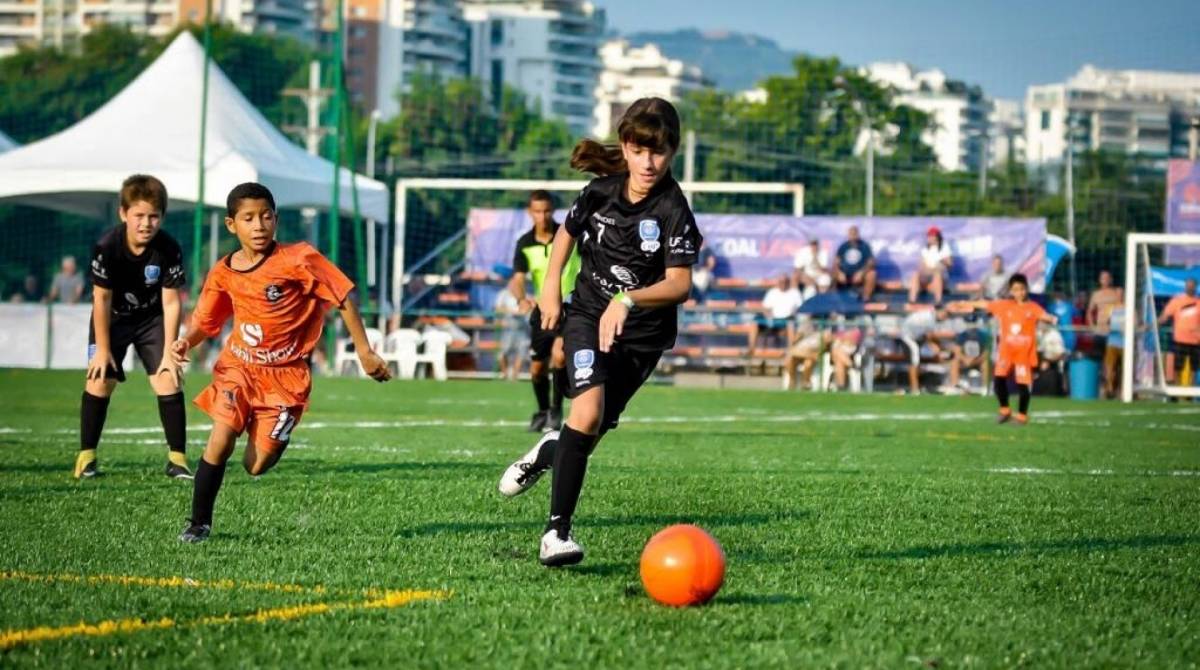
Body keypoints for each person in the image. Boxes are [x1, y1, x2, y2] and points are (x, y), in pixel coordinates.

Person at [496, 97, 702, 567]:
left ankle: (550, 449)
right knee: (586, 414)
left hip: (642, 338)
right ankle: (556, 534)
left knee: (588, 433)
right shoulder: (600, 192)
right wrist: (551, 288)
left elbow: (680, 284)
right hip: (588, 314)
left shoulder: (673, 209)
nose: (648, 163)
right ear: (624, 148)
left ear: (673, 151)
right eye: (638, 150)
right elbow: (567, 233)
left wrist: (627, 300)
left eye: (659, 152)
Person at [170, 182, 390, 543]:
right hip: (239, 368)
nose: (259, 226)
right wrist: (185, 341)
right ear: (231, 225)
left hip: (286, 378)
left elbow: (343, 297)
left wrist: (365, 351)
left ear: (276, 219)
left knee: (255, 465)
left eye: (266, 216)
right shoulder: (224, 271)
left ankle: (272, 431)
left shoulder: (298, 258)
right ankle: (198, 524)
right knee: (221, 437)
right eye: (248, 218)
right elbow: (207, 321)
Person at [75, 175, 190, 480]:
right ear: (123, 213)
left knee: (168, 379)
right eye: (139, 215)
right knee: (99, 380)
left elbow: (171, 303)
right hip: (113, 318)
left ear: (162, 217)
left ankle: (177, 460)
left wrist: (169, 353)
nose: (146, 223)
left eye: (154, 216)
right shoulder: (106, 247)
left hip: (151, 320)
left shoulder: (169, 248)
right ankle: (86, 458)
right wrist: (102, 350)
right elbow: (101, 300)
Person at [510, 190, 581, 432]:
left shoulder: (569, 235)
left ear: (553, 211)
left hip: (571, 306)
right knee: (537, 368)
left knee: (559, 355)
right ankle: (542, 411)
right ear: (530, 213)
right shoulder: (525, 243)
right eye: (538, 212)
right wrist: (521, 298)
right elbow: (517, 279)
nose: (543, 216)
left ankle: (555, 410)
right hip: (542, 310)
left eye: (547, 211)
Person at [973, 274, 1057, 425]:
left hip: (1023, 354)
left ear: (1027, 289)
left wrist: (1051, 318)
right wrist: (965, 304)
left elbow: (1044, 315)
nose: (1020, 293)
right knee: (999, 379)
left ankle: (1022, 416)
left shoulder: (1033, 307)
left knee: (1023, 384)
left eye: (1022, 289)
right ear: (1011, 291)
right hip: (1006, 352)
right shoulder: (1005, 305)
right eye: (1016, 289)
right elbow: (987, 305)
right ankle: (1004, 410)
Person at [747, 274, 802, 358]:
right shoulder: (772, 292)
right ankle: (751, 348)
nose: (783, 284)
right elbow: (765, 308)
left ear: (788, 282)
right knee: (755, 321)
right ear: (778, 282)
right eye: (781, 282)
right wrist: (769, 318)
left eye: (785, 282)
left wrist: (793, 314)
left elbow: (799, 308)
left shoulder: (794, 293)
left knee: (790, 323)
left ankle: (790, 351)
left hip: (787, 319)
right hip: (772, 319)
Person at [1159, 278, 1200, 385]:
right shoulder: (1177, 301)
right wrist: (1156, 324)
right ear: (1185, 287)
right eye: (1188, 286)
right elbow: (1165, 315)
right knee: (1177, 367)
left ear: (1196, 287)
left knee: (1194, 368)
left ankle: (1191, 390)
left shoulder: (1198, 302)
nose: (1190, 288)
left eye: (1192, 286)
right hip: (1180, 340)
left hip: (1196, 341)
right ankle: (1177, 388)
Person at [493, 265, 529, 381]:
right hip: (507, 328)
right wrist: (510, 311)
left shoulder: (525, 295)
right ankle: (504, 373)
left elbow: (529, 308)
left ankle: (515, 376)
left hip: (521, 328)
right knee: (502, 352)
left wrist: (523, 311)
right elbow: (498, 309)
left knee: (521, 352)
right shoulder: (503, 294)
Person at [909, 226, 952, 305]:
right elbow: (922, 265)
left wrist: (942, 261)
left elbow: (949, 264)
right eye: (929, 236)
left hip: (940, 273)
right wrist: (924, 269)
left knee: (937, 274)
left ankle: (938, 301)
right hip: (927, 273)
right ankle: (912, 300)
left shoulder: (944, 247)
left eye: (932, 236)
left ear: (937, 237)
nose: (930, 238)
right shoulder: (925, 249)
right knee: (915, 275)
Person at [833, 226, 876, 301]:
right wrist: (839, 272)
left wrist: (862, 272)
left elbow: (871, 262)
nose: (853, 236)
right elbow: (836, 262)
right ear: (848, 235)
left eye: (854, 234)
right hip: (845, 274)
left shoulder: (864, 246)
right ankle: (833, 298)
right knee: (832, 272)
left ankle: (866, 298)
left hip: (860, 274)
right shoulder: (843, 246)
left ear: (858, 234)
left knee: (872, 274)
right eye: (851, 234)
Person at [947, 317, 989, 394]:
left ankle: (985, 387)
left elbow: (986, 353)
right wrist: (965, 359)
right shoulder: (961, 336)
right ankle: (955, 385)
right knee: (954, 362)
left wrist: (976, 360)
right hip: (964, 360)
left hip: (978, 361)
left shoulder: (983, 336)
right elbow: (957, 351)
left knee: (986, 364)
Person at [1086, 270, 1123, 337]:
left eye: (1107, 278)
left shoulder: (1117, 292)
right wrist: (1092, 327)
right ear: (1100, 280)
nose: (1105, 280)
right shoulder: (1096, 294)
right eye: (1103, 278)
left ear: (1111, 279)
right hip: (1100, 330)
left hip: (1115, 329)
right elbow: (1089, 312)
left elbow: (1124, 308)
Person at [1102, 305, 1126, 399]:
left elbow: (1135, 323)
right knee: (1109, 368)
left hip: (1125, 345)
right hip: (1112, 343)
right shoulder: (1111, 309)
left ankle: (1123, 391)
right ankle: (1109, 390)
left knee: (1125, 369)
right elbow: (1106, 325)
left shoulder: (1131, 309)